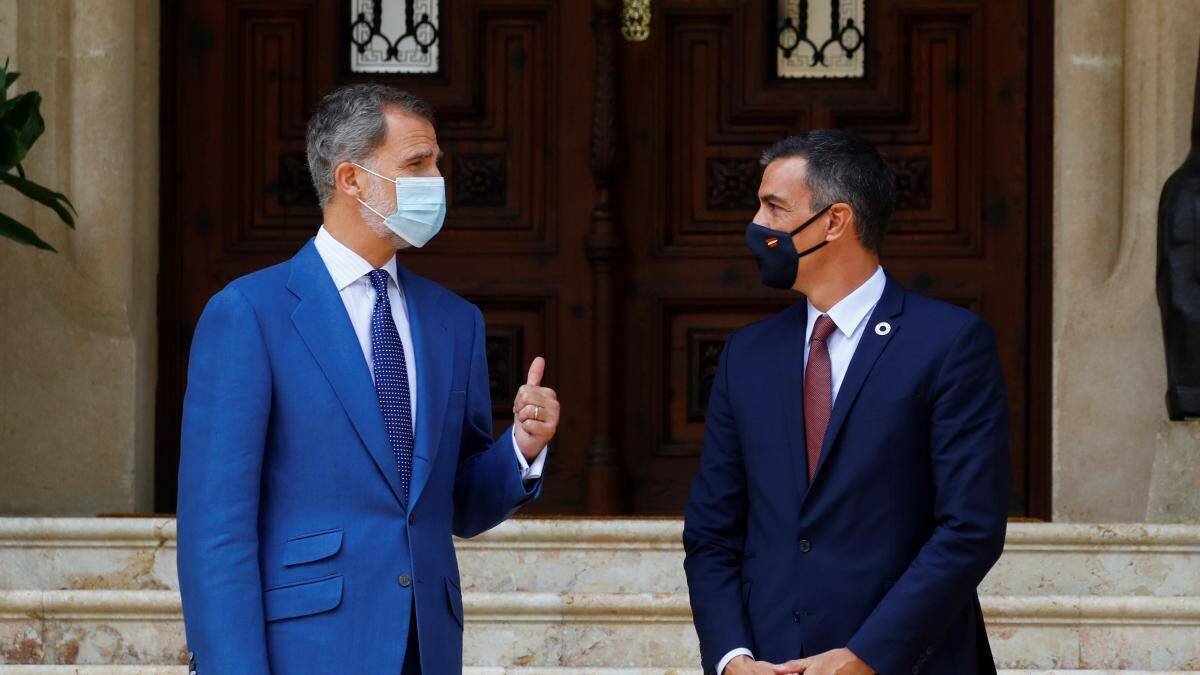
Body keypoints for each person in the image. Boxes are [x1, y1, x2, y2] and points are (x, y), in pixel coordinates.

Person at [176, 83, 560, 674]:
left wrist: (522, 449)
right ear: (350, 179)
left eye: (436, 163)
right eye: (417, 163)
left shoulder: (455, 321)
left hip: (425, 649)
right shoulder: (250, 313)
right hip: (307, 649)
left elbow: (454, 503)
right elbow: (216, 531)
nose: (436, 180)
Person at [683, 130, 1010, 675]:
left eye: (774, 207)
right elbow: (712, 532)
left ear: (834, 221)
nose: (757, 225)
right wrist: (732, 659)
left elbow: (969, 528)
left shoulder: (950, 342)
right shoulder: (748, 355)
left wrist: (868, 655)